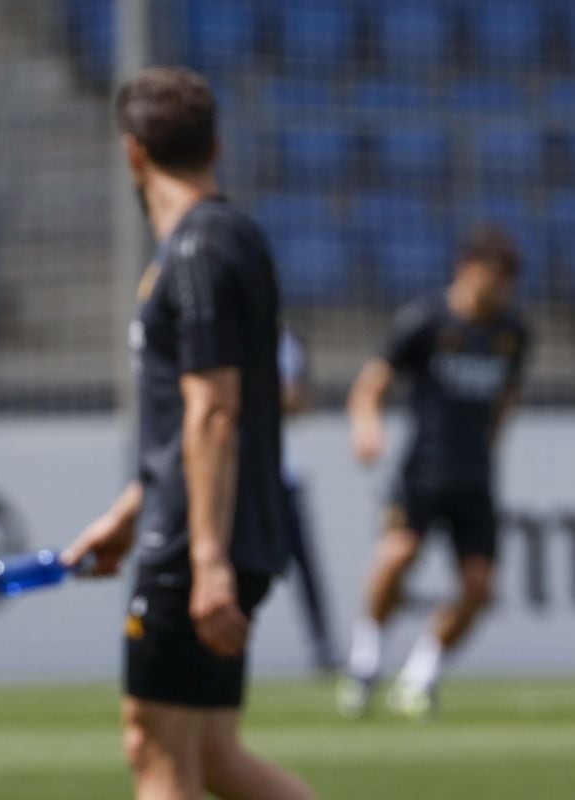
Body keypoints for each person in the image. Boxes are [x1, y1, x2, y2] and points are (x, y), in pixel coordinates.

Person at [62, 66, 315, 800]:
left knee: (155, 751)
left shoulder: (197, 250)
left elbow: (213, 411)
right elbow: (187, 429)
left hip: (201, 547)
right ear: (216, 144)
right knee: (214, 759)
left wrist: (206, 562)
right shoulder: (232, 237)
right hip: (220, 531)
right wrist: (124, 517)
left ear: (133, 153)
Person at [337, 225, 529, 720]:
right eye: (495, 277)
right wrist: (366, 428)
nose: (501, 290)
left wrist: (489, 447)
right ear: (467, 269)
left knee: (480, 586)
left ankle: (420, 674)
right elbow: (371, 385)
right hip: (422, 471)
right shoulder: (423, 322)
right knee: (398, 554)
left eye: (508, 281)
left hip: (475, 480)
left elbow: (507, 398)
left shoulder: (513, 333)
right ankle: (365, 659)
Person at [278, 327, 339, 673]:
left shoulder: (286, 343)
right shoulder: (226, 331)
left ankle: (322, 644)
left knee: (304, 565)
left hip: (283, 474)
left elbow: (297, 401)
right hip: (236, 475)